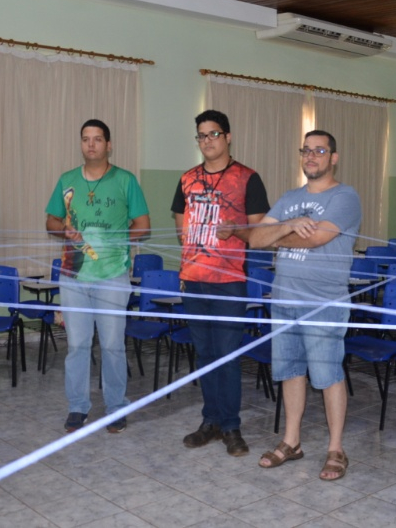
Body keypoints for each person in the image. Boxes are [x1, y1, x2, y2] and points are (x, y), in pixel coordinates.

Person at [249, 130, 361, 481]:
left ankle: (336, 449)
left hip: (323, 302)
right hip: (285, 299)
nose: (311, 156)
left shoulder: (345, 196)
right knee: (290, 372)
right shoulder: (289, 197)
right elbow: (255, 239)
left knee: (328, 376)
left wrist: (281, 230)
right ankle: (291, 442)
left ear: (334, 157)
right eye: (306, 150)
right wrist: (289, 223)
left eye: (319, 150)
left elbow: (316, 238)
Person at [172, 110, 269, 456]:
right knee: (206, 355)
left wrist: (235, 230)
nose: (207, 141)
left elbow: (259, 234)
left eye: (214, 134)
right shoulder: (187, 179)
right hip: (194, 282)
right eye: (201, 135)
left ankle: (230, 426)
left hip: (229, 284)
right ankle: (209, 422)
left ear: (228, 137)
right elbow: (180, 225)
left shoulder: (247, 178)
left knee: (227, 356)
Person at [46, 119, 150, 434]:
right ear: (81, 144)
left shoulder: (126, 180)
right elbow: (50, 220)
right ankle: (78, 407)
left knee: (112, 346)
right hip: (73, 276)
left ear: (108, 144)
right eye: (86, 139)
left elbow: (143, 225)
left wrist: (117, 239)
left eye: (98, 139)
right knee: (77, 346)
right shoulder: (66, 180)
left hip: (113, 276)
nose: (91, 144)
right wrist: (64, 228)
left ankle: (116, 407)